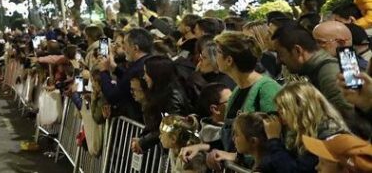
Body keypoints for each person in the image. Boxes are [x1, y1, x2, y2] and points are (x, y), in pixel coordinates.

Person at [205, 31, 282, 170]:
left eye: (217, 52)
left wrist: (235, 157)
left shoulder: (267, 88)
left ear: (229, 60)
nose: (215, 57)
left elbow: (274, 137)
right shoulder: (237, 89)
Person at [273, 24, 355, 115]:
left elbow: (349, 118)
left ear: (297, 50)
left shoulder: (329, 73)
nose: (278, 61)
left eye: (280, 54)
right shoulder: (322, 69)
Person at [131, 55, 190, 155]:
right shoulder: (160, 93)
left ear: (156, 74)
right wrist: (142, 139)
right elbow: (156, 123)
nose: (144, 77)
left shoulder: (172, 96)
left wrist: (144, 141)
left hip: (176, 151)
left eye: (146, 73)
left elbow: (172, 125)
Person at [95, 27, 152, 121]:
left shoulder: (137, 68)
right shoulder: (146, 62)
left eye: (124, 44)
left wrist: (103, 71)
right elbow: (127, 80)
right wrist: (115, 68)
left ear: (135, 48)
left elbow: (112, 96)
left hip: (137, 117)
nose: (123, 48)